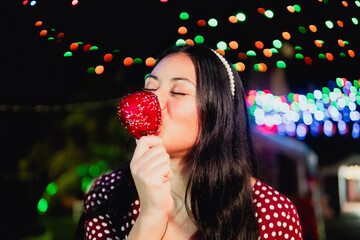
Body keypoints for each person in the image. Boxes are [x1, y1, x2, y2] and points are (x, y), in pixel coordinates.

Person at [76, 44, 303, 240]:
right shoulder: (108, 193)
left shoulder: (270, 213)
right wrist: (151, 215)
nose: (154, 100)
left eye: (178, 92)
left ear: (217, 114)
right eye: (150, 88)